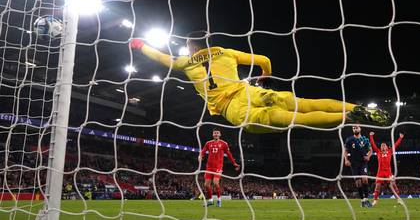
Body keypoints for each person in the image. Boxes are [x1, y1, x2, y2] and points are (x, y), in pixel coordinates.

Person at [130, 33, 390, 133]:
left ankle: (349, 118)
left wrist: (140, 45)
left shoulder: (185, 62)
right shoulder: (226, 51)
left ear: (190, 46)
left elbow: (159, 57)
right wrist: (265, 74)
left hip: (235, 109)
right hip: (248, 90)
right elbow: (264, 60)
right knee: (300, 103)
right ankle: (354, 108)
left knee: (290, 118)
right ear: (209, 40)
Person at [198, 129, 240, 207]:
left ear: (220, 134)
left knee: (215, 182)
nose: (216, 134)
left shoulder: (224, 144)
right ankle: (210, 200)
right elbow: (203, 151)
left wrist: (234, 163)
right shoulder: (208, 143)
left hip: (218, 166)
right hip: (209, 167)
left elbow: (229, 154)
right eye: (215, 133)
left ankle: (219, 199)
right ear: (212, 134)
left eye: (217, 133)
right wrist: (200, 156)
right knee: (206, 185)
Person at [369, 131, 404, 207]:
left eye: (384, 145)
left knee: (393, 186)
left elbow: (396, 145)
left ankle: (399, 199)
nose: (382, 146)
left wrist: (400, 138)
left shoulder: (390, 151)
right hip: (380, 172)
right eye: (381, 145)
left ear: (387, 147)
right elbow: (373, 144)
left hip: (388, 172)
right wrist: (371, 136)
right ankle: (375, 200)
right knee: (377, 186)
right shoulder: (378, 152)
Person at [343, 125, 372, 208]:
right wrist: (346, 160)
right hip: (354, 163)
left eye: (356, 127)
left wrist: (368, 156)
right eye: (353, 128)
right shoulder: (349, 139)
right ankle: (362, 200)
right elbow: (345, 150)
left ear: (360, 128)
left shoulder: (365, 139)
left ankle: (366, 199)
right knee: (358, 183)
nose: (355, 129)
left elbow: (370, 150)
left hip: (363, 163)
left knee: (365, 180)